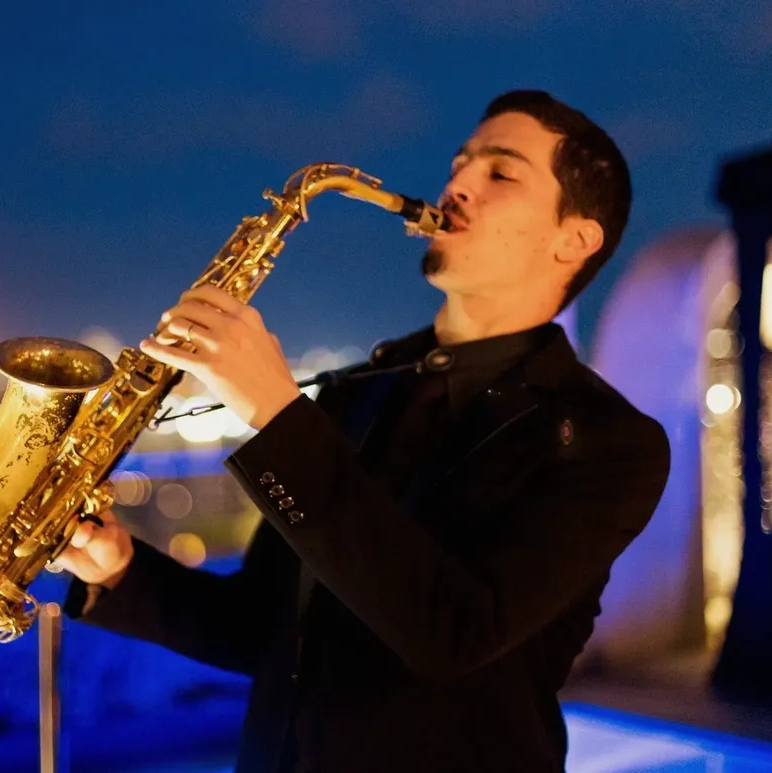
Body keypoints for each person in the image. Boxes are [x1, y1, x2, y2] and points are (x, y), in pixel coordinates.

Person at [54, 89, 671, 773]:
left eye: (500, 173)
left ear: (575, 238)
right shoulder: (357, 392)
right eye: (461, 163)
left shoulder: (612, 443)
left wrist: (278, 416)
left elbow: (453, 632)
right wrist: (121, 569)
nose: (459, 182)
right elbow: (266, 624)